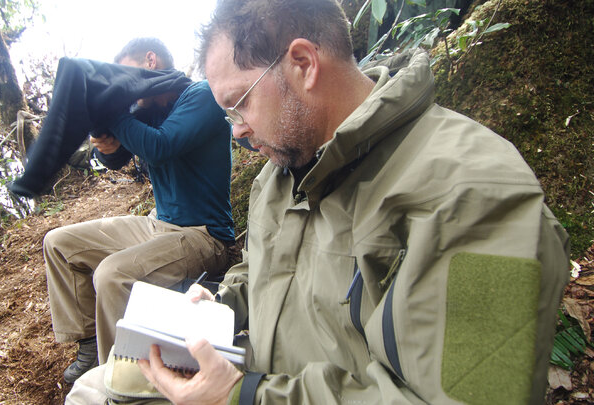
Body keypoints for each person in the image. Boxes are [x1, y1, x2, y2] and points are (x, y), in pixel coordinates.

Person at [68, 1, 570, 403]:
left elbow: (469, 396)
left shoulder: (478, 191)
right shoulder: (279, 175)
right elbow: (264, 269)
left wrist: (243, 396)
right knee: (97, 386)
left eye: (239, 102)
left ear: (304, 63)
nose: (237, 129)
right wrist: (222, 304)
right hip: (255, 370)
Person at [42, 37, 235, 384]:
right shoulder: (145, 112)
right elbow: (118, 157)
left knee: (111, 275)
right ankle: (88, 346)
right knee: (58, 243)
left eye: (124, 75)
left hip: (204, 235)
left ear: (150, 61)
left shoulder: (201, 95)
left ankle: (121, 383)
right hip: (157, 224)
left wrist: (110, 114)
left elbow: (158, 146)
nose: (120, 89)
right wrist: (105, 143)